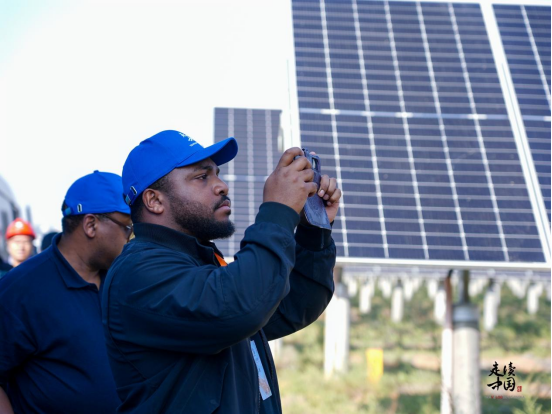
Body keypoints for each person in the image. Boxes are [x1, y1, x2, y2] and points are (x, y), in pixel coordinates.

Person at [102, 130, 342, 413]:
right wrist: (277, 210)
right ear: (154, 201)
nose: (222, 186)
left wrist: (314, 231)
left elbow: (292, 305)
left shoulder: (201, 263)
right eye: (202, 177)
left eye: (217, 174)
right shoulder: (138, 273)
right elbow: (243, 306)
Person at [0, 171, 132, 414]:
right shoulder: (21, 289)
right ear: (91, 225)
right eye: (128, 227)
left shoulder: (123, 280)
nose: (132, 238)